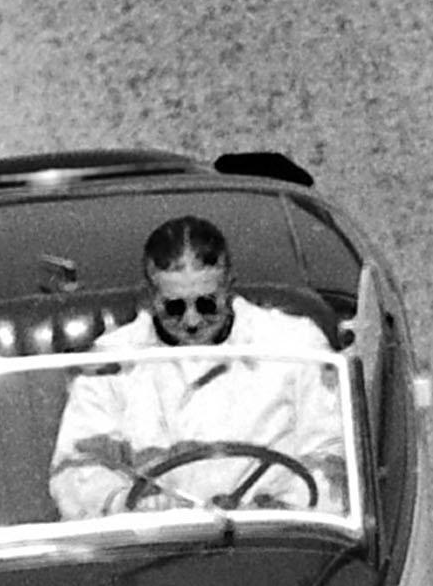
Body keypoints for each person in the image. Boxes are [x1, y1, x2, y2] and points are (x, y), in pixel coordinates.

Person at [47, 214, 349, 519]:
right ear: (150, 297)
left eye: (206, 304)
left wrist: (283, 506)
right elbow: (78, 469)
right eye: (174, 307)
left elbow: (332, 455)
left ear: (229, 288)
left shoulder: (294, 344)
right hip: (156, 540)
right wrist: (126, 502)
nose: (191, 321)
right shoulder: (110, 364)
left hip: (272, 533)